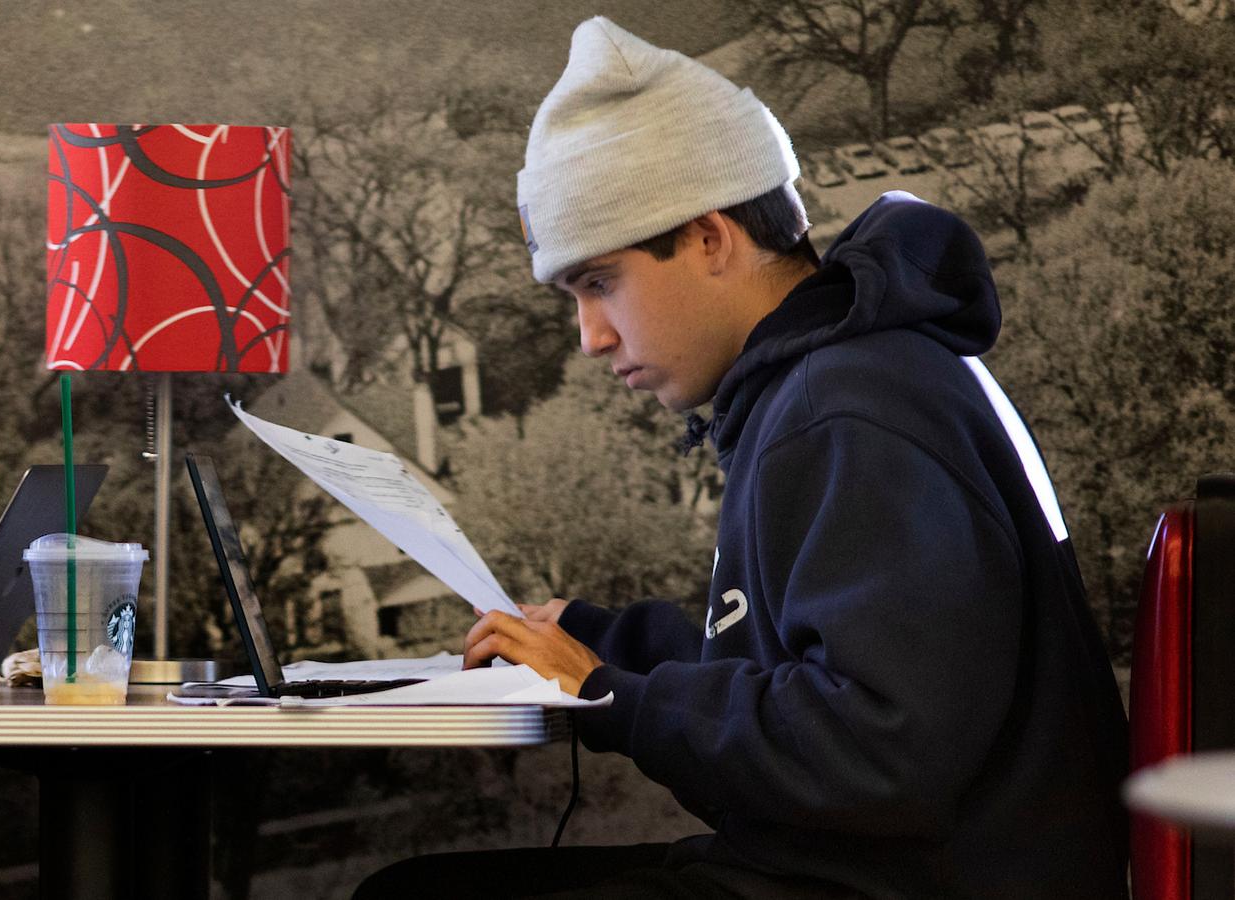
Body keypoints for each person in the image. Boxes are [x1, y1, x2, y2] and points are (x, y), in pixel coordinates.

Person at [356, 18, 1127, 900]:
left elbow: (878, 751)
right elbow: (814, 681)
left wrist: (613, 694)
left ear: (711, 237)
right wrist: (602, 646)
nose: (590, 337)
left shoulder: (842, 408)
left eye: (599, 283)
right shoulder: (846, 377)